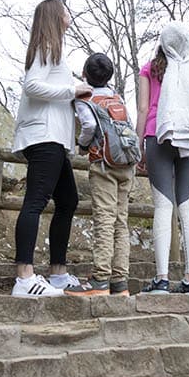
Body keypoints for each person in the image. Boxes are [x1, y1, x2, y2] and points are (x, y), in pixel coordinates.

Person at [136, 21, 189, 295]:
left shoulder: (149, 69)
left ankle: (162, 279)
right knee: (187, 209)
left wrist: (138, 146)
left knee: (162, 207)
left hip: (157, 136)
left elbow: (144, 108)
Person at [11, 0, 81, 298]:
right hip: (43, 138)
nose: (70, 14)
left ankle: (58, 274)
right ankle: (24, 279)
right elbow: (32, 86)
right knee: (35, 202)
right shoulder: (47, 46)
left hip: (54, 139)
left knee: (68, 200)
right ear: (55, 15)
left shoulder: (53, 49)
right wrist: (72, 90)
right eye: (66, 9)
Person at [71, 53, 136, 297]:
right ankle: (120, 282)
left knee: (105, 220)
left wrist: (83, 145)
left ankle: (100, 279)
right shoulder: (116, 96)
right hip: (126, 165)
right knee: (121, 221)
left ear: (85, 74)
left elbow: (88, 126)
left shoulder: (85, 98)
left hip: (103, 164)